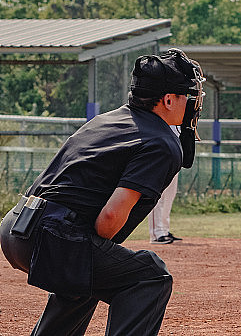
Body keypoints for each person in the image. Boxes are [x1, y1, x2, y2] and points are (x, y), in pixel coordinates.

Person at [0, 48, 204, 336]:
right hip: (51, 234)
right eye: (188, 96)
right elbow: (110, 218)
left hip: (15, 227)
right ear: (168, 99)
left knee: (85, 279)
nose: (193, 103)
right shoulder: (160, 142)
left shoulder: (107, 120)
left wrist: (90, 251)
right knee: (149, 277)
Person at [149, 125, 184, 244]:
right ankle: (156, 233)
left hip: (175, 154)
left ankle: (164, 230)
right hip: (160, 154)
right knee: (158, 195)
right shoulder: (160, 112)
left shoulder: (178, 114)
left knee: (170, 195)